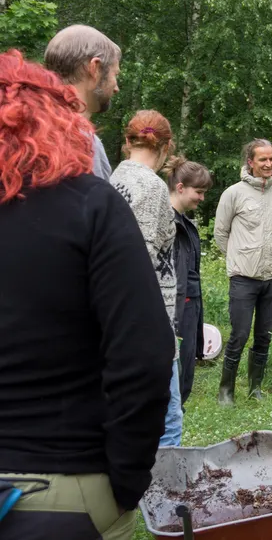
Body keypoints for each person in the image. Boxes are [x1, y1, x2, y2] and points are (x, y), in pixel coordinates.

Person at [0, 51, 173, 539]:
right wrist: (126, 482)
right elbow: (144, 357)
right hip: (61, 486)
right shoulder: (90, 207)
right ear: (56, 122)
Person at [109, 111, 181, 447]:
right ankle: (161, 496)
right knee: (168, 421)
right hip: (148, 323)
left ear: (127, 142)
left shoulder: (116, 177)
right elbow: (139, 262)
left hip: (120, 322)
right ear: (167, 146)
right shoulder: (151, 187)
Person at [214, 139, 272, 405]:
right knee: (239, 334)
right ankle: (226, 390)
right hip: (243, 278)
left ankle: (255, 388)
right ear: (250, 162)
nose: (269, 164)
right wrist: (239, 258)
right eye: (263, 160)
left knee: (264, 336)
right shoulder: (233, 193)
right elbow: (221, 233)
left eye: (271, 159)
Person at [43, 25, 121, 180]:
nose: (116, 88)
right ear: (95, 69)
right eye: (115, 74)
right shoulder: (85, 145)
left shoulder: (27, 132)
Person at [166, 157, 213, 407]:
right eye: (199, 192)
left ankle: (176, 416)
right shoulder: (167, 223)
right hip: (176, 307)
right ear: (181, 187)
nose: (202, 198)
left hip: (191, 305)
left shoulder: (186, 223)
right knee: (177, 373)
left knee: (186, 371)